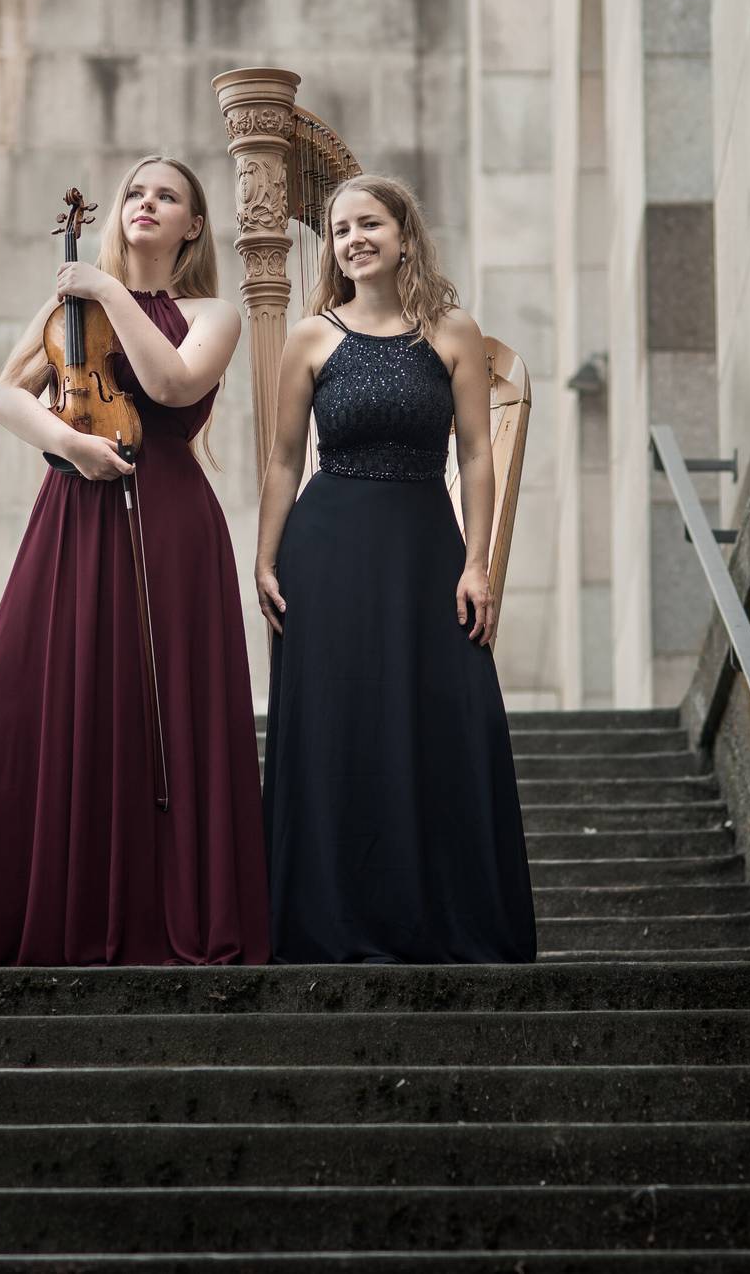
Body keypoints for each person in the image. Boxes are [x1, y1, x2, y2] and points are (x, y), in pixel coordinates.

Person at [0, 155, 270, 966]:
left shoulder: (213, 313)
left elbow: (173, 385)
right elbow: (8, 393)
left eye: (168, 196)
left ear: (194, 225)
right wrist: (70, 445)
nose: (146, 203)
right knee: (9, 712)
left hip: (172, 524)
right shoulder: (66, 304)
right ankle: (28, 919)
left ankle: (165, 916)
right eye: (136, 193)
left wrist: (111, 290)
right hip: (75, 510)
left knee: (163, 720)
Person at [255, 174, 536, 964]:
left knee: (446, 715)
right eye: (341, 229)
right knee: (338, 728)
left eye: (369, 224)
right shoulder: (310, 337)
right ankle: (328, 920)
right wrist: (265, 558)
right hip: (327, 552)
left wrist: (477, 565)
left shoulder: (451, 330)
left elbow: (478, 456)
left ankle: (444, 920)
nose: (353, 239)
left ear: (404, 235)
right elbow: (283, 461)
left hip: (425, 547)